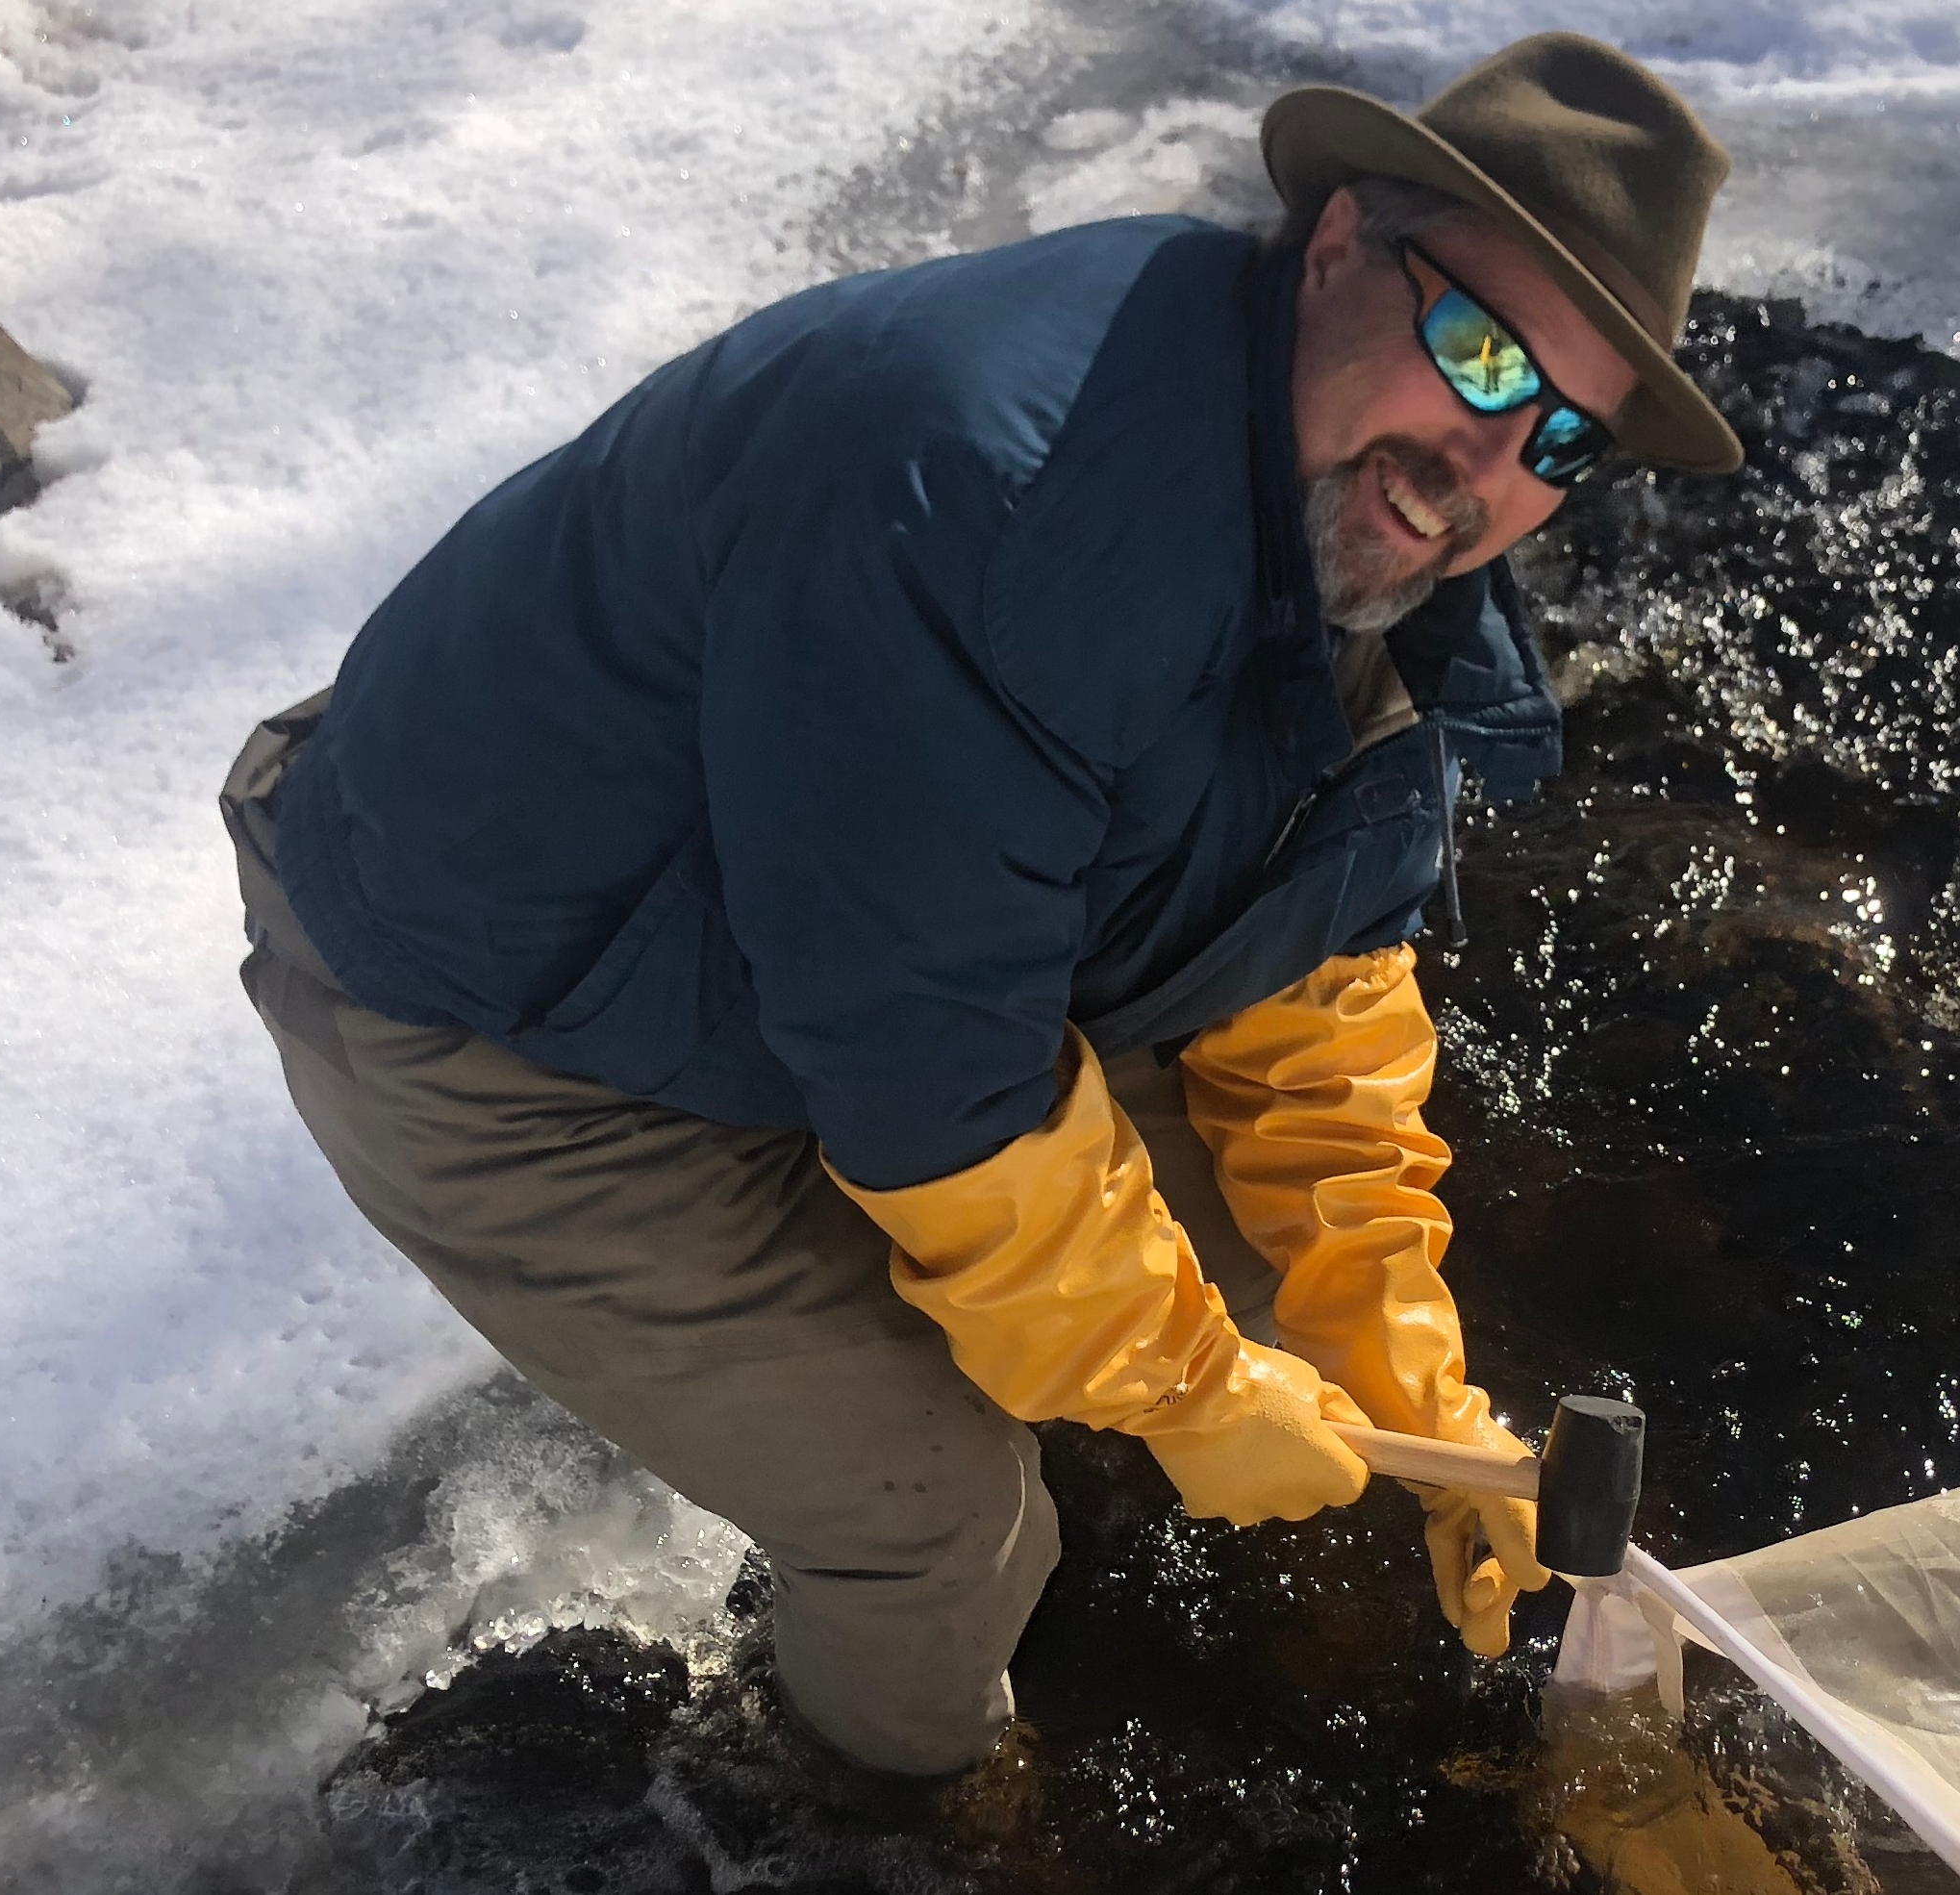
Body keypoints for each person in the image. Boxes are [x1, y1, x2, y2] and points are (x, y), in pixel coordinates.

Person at [220, 31, 1741, 1780]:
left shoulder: (1350, 521)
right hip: (503, 1011)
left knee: (1250, 1297)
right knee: (947, 1524)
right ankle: (886, 1813)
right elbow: (926, 1077)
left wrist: (1387, 1342)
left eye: (1563, 433)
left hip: (804, 951)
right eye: (1479, 349)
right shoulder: (985, 496)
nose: (1491, 456)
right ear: (1334, 244)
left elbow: (1304, 956)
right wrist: (1181, 1390)